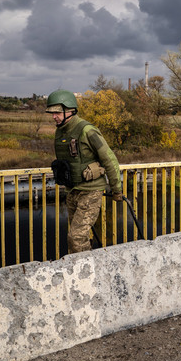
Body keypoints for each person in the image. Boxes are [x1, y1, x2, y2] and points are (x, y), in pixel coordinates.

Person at [46, 89, 122, 254]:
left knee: (77, 237)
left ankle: (86, 273)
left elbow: (109, 159)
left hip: (91, 191)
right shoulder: (61, 131)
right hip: (73, 191)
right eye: (51, 113)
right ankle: (78, 270)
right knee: (75, 237)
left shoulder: (87, 130)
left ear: (70, 110)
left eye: (57, 112)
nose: (53, 116)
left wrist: (117, 189)